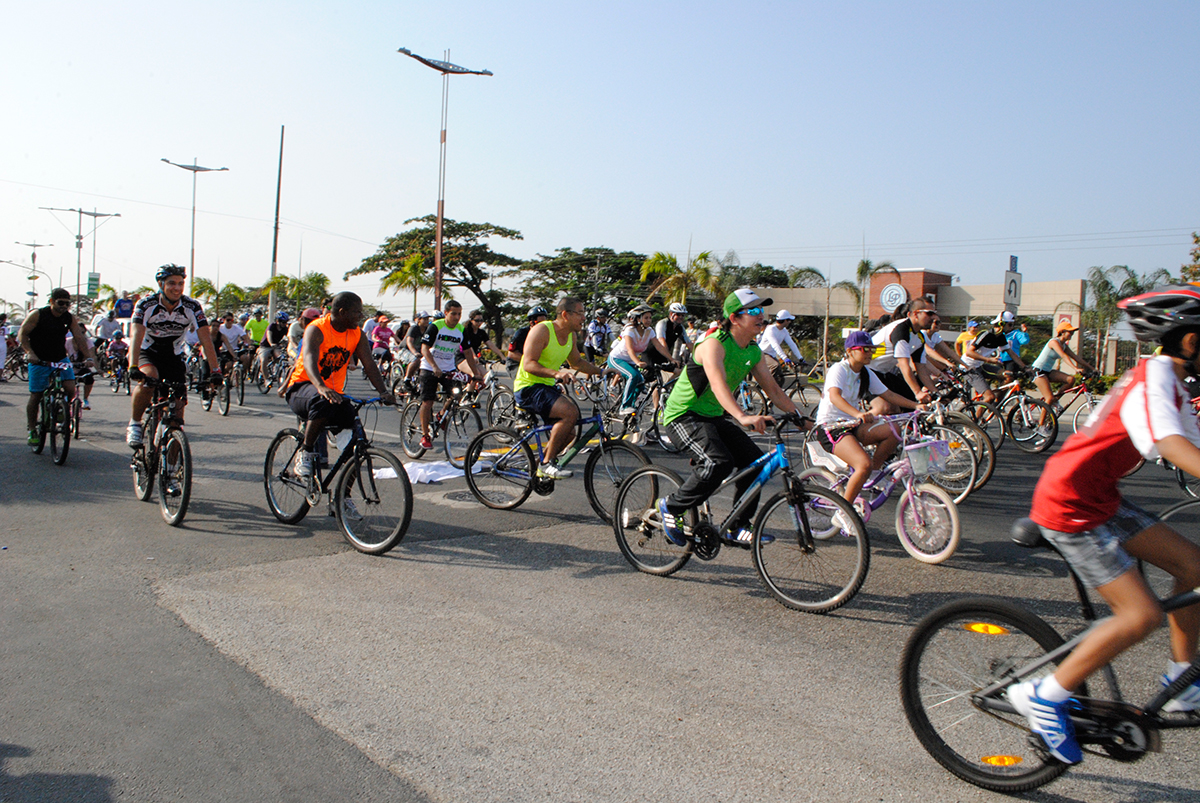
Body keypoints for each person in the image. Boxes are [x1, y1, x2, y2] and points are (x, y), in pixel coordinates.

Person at [1010, 284, 1200, 765]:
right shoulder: (1155, 377)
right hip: (1069, 502)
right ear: (1190, 341)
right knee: (1141, 616)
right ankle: (1045, 695)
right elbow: (1173, 445)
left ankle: (1181, 682)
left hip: (1100, 497)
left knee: (1195, 569)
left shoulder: (1172, 382)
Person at [657, 289, 802, 544]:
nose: (761, 316)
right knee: (717, 462)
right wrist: (742, 415)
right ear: (734, 318)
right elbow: (717, 383)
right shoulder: (713, 344)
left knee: (756, 464)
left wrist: (802, 418)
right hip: (683, 416)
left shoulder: (753, 350)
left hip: (712, 417)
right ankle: (672, 506)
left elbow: (774, 390)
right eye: (754, 311)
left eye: (762, 310)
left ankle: (737, 525)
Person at [286, 292, 395, 478]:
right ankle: (306, 451)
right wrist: (321, 386)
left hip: (333, 395)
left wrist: (383, 391)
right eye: (357, 312)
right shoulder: (317, 328)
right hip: (303, 388)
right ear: (343, 312)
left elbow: (369, 365)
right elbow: (309, 359)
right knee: (322, 402)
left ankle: (344, 499)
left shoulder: (357, 334)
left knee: (357, 447)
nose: (361, 317)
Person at [814, 331, 923, 510]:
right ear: (850, 351)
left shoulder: (866, 372)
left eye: (872, 350)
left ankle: (874, 472)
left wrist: (915, 405)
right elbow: (834, 397)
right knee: (862, 464)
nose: (869, 353)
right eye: (865, 349)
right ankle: (844, 512)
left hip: (853, 425)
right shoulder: (839, 369)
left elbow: (888, 394)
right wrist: (857, 414)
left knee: (893, 431)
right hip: (831, 427)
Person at [126, 265, 221, 447]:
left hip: (173, 355)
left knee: (176, 419)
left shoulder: (192, 306)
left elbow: (206, 339)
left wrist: (215, 370)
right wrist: (132, 366)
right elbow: (136, 334)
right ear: (161, 284)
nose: (177, 288)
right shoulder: (146, 304)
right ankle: (135, 423)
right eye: (171, 283)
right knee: (150, 377)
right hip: (147, 352)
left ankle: (171, 470)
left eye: (180, 283)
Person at [514, 296, 604, 479]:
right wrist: (557, 374)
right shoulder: (542, 330)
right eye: (579, 314)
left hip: (546, 387)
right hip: (528, 387)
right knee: (570, 413)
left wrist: (601, 371)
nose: (583, 318)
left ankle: (540, 465)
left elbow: (577, 362)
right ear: (565, 314)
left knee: (569, 434)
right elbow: (528, 364)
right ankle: (546, 465)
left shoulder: (570, 335)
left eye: (584, 313)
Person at [19, 289, 95, 444]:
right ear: (52, 301)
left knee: (70, 388)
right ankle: (32, 429)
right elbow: (23, 334)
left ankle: (61, 408)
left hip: (60, 359)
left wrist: (88, 356)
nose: (64, 306)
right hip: (39, 359)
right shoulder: (38, 315)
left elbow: (79, 337)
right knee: (36, 395)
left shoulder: (69, 318)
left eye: (67, 303)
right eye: (61, 303)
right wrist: (30, 353)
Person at [417, 300, 482, 450]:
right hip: (429, 367)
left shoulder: (461, 329)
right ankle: (425, 435)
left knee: (457, 395)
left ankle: (440, 415)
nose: (457, 317)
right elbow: (424, 349)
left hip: (449, 368)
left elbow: (467, 352)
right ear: (446, 313)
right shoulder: (436, 327)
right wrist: (434, 366)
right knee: (428, 401)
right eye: (453, 313)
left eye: (459, 314)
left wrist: (475, 373)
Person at [609, 304, 678, 416]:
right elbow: (630, 350)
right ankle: (625, 406)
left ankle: (631, 407)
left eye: (650, 318)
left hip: (631, 361)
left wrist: (671, 359)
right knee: (633, 376)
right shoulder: (630, 330)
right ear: (638, 319)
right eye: (646, 318)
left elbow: (659, 346)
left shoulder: (649, 331)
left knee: (641, 383)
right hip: (617, 358)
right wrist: (638, 362)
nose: (649, 320)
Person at [869, 298, 937, 408]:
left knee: (907, 403)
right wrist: (918, 392)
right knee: (884, 408)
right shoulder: (901, 330)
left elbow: (921, 369)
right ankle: (860, 425)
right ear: (915, 314)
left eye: (934, 314)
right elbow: (904, 365)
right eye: (929, 313)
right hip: (866, 370)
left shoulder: (919, 337)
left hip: (882, 373)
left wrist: (936, 392)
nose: (934, 318)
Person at [1031, 321, 1096, 413]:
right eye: (1070, 332)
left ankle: (1055, 400)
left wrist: (1092, 368)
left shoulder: (1064, 345)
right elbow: (1064, 356)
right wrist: (1075, 368)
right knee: (1049, 398)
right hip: (1038, 371)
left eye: (1072, 332)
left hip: (1047, 371)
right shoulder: (1054, 342)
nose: (1072, 334)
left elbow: (1076, 357)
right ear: (1062, 332)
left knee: (1071, 379)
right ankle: (1041, 426)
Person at [960, 318, 1026, 405]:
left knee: (1008, 376)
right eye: (1010, 325)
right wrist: (989, 360)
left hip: (981, 365)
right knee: (989, 397)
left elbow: (1012, 354)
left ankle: (997, 404)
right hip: (969, 367)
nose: (1012, 327)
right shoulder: (986, 335)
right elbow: (969, 352)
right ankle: (978, 418)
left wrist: (1025, 367)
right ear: (1001, 324)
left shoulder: (1001, 337)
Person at [758, 309, 807, 380]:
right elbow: (775, 345)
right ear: (785, 320)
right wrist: (785, 358)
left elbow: (792, 344)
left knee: (781, 378)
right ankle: (767, 386)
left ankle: (776, 390)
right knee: (775, 366)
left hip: (772, 355)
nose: (790, 322)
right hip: (763, 353)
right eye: (789, 320)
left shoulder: (784, 331)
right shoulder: (770, 329)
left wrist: (800, 358)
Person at [506, 306, 549, 373]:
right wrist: (530, 361)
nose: (543, 326)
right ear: (531, 323)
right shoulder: (521, 333)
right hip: (516, 363)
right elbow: (511, 354)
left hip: (534, 364)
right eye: (540, 323)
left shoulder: (547, 334)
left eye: (545, 323)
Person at [403, 311, 431, 389]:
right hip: (405, 350)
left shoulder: (428, 329)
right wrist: (415, 352)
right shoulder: (414, 328)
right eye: (424, 319)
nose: (426, 321)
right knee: (416, 359)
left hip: (419, 351)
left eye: (427, 319)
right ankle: (407, 379)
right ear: (418, 320)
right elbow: (409, 342)